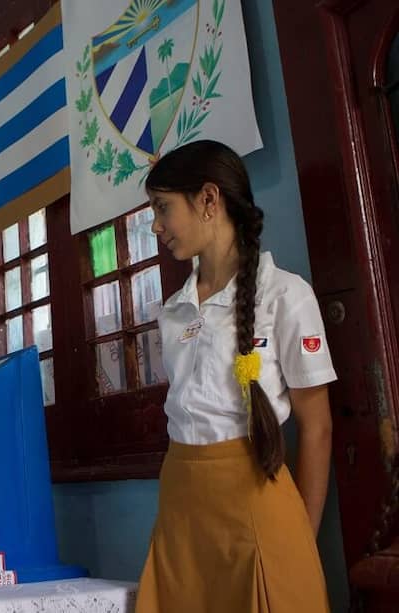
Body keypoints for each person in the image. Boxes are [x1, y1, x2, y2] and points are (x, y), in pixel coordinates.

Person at [135, 140, 336, 612]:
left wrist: (298, 541)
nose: (155, 225)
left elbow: (318, 427)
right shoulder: (173, 312)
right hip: (181, 512)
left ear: (209, 199)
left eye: (163, 207)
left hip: (256, 508)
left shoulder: (286, 296)